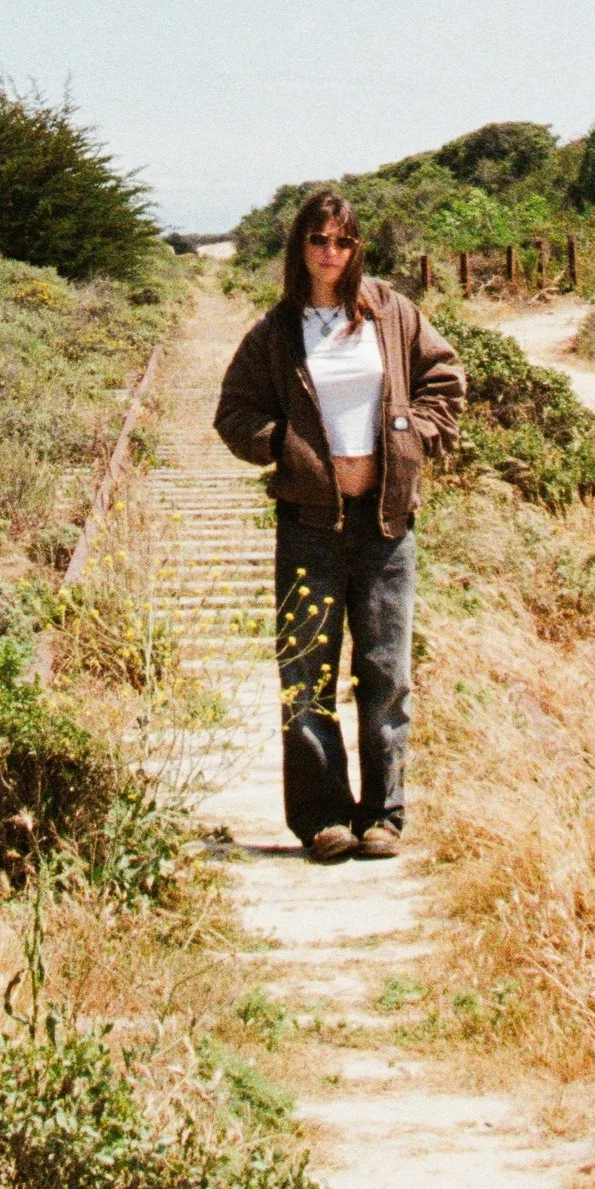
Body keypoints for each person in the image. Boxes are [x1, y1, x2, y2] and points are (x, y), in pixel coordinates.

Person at [213, 190, 466, 862]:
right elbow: (234, 411)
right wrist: (283, 445)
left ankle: (383, 815)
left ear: (357, 249)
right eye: (319, 240)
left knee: (386, 673)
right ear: (300, 246)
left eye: (344, 241)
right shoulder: (276, 330)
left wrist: (415, 435)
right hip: (308, 527)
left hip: (385, 524)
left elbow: (444, 377)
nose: (332, 253)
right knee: (306, 673)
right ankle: (323, 817)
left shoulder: (391, 312)